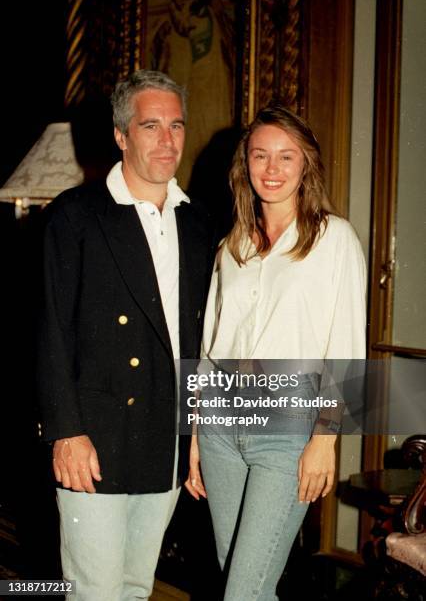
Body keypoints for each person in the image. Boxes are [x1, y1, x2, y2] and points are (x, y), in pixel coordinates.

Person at [37, 69, 214, 600]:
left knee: (137, 588)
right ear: (121, 135)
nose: (167, 141)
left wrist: (199, 434)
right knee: (93, 590)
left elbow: (199, 342)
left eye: (177, 126)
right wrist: (64, 432)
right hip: (95, 439)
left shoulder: (199, 221)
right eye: (151, 126)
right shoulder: (76, 216)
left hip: (164, 442)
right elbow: (51, 331)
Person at [185, 103, 366, 600]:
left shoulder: (334, 240)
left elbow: (347, 352)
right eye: (261, 155)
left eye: (286, 157)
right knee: (244, 583)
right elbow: (209, 350)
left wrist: (325, 442)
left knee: (244, 590)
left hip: (287, 431)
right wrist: (196, 433)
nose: (272, 169)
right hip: (221, 425)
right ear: (245, 163)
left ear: (306, 164)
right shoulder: (232, 245)